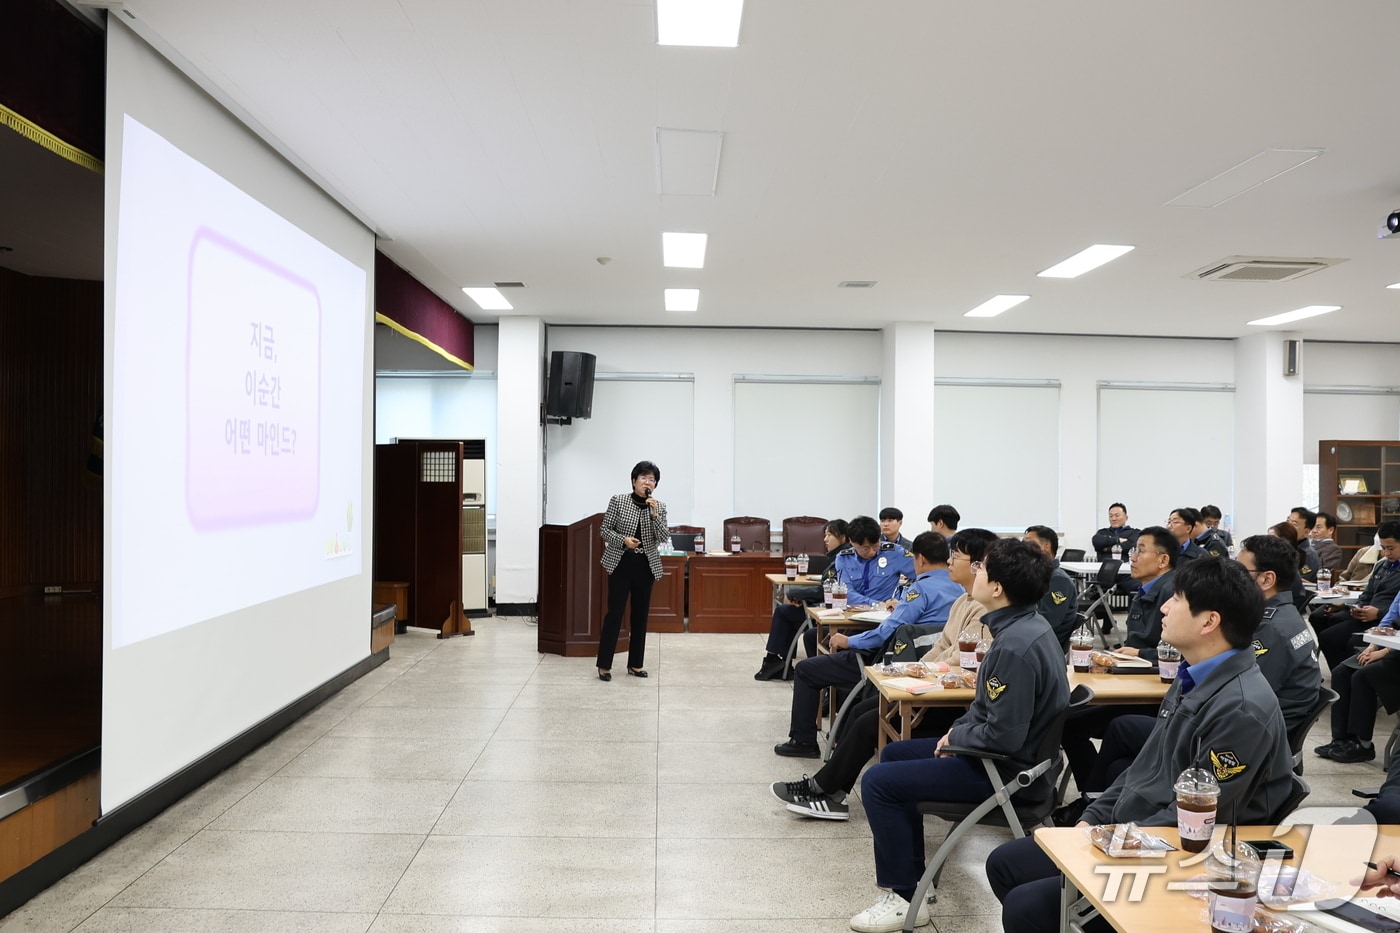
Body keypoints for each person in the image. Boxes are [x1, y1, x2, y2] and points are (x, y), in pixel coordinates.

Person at [987, 558, 1297, 933]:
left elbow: (1196, 825)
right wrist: (1093, 817)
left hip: (1182, 860)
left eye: (1177, 599)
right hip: (1133, 825)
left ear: (1209, 622)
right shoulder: (1191, 677)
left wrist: (1113, 842)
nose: (1164, 606)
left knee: (1028, 907)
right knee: (1005, 863)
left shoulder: (1241, 709)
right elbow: (1143, 768)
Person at [848, 539, 1069, 933]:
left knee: (879, 783)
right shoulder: (1025, 626)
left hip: (1005, 774)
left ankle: (903, 898)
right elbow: (992, 714)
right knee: (895, 755)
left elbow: (1004, 735)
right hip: (1002, 759)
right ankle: (918, 884)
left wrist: (956, 738)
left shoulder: (1014, 646)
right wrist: (958, 731)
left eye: (982, 569)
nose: (975, 574)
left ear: (998, 588)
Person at [769, 528, 998, 821]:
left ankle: (824, 787)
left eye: (957, 555)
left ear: (980, 566)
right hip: (930, 679)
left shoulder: (981, 608)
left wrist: (917, 673)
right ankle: (829, 789)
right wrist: (914, 669)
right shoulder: (961, 599)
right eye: (950, 554)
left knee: (867, 715)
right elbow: (942, 645)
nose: (950, 560)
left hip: (952, 702)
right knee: (867, 707)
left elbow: (964, 659)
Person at [773, 530, 953, 759]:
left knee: (807, 669)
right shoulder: (961, 590)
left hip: (890, 664)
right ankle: (842, 728)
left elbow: (886, 632)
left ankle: (803, 740)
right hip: (930, 667)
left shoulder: (919, 590)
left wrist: (849, 640)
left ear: (920, 559)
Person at [1058, 526, 1177, 799]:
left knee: (1070, 723)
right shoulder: (1145, 589)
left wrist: (1139, 656)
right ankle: (1094, 796)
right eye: (1133, 550)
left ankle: (1092, 797)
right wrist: (1118, 659)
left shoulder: (1171, 592)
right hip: (1137, 682)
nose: (1132, 557)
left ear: (1163, 560)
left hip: (1153, 696)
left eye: (1140, 550)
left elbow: (1176, 652)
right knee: (1069, 717)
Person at [1235, 534, 1322, 735]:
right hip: (1268, 720)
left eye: (1239, 572)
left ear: (1266, 579)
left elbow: (1246, 695)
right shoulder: (1284, 613)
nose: (1231, 578)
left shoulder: (1270, 628)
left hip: (1260, 732)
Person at [596, 460, 667, 681]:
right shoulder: (619, 501)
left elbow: (663, 537)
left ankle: (635, 664)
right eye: (644, 478)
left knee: (640, 615)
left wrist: (654, 515)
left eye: (652, 479)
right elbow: (604, 530)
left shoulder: (659, 507)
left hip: (646, 565)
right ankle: (604, 665)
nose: (648, 482)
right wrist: (623, 540)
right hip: (622, 561)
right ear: (634, 480)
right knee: (615, 613)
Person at [754, 519, 849, 681]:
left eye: (830, 535)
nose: (825, 539)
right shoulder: (836, 556)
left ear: (844, 538)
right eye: (824, 535)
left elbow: (825, 589)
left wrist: (794, 593)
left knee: (785, 612)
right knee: (786, 612)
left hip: (831, 612)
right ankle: (776, 661)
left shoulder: (843, 557)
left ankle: (775, 661)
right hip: (826, 607)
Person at [1315, 590, 1400, 763]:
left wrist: (1384, 651)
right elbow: (1390, 617)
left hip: (1394, 652)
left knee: (1362, 676)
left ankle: (1363, 744)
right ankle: (1339, 739)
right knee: (1341, 672)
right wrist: (1373, 645)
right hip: (1390, 645)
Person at [1314, 523, 1400, 671]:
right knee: (1327, 636)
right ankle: (1340, 675)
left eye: (1391, 548)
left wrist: (1378, 612)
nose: (1386, 553)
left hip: (1388, 622)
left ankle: (1352, 676)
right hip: (1367, 617)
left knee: (1351, 642)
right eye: (1383, 548)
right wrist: (1358, 607)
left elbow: (1396, 609)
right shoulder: (1382, 566)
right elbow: (1367, 594)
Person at [1023, 525, 1079, 649]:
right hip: (1032, 638)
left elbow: (1047, 620)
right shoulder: (1037, 574)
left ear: (1046, 546)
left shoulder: (1058, 579)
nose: (1024, 547)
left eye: (1029, 542)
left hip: (1045, 644)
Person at [1287, 506, 1322, 587]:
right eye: (1288, 521)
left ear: (1306, 532)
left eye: (1294, 524)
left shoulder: (1308, 554)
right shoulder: (1284, 548)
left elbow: (1298, 583)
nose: (1287, 526)